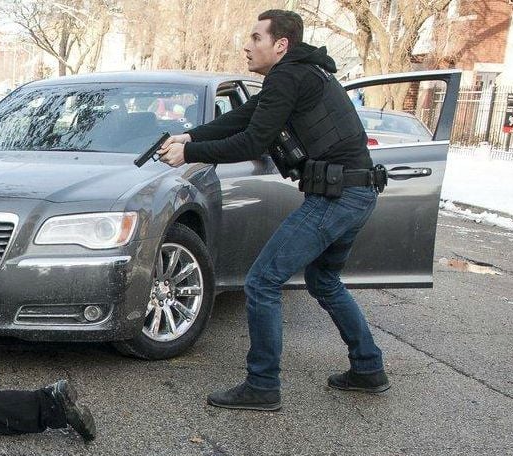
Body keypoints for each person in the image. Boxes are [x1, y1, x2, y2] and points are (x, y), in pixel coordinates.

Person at [157, 9, 389, 411]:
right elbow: (242, 118)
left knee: (262, 281)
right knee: (324, 279)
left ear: (281, 44)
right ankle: (368, 367)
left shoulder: (289, 75)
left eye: (255, 38)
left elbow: (251, 142)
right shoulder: (301, 73)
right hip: (355, 192)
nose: (247, 46)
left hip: (336, 198)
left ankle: (262, 385)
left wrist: (189, 153)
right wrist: (189, 133)